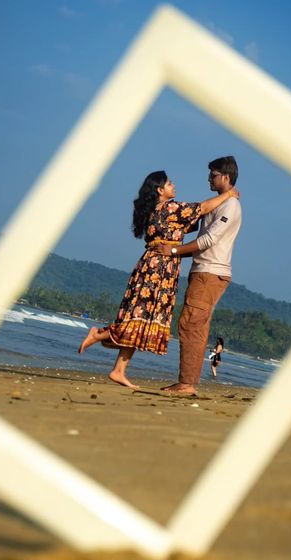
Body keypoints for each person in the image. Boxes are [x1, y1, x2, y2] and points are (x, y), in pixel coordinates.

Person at [77, 170, 239, 388]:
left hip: (157, 265)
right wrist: (228, 196)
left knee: (141, 319)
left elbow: (196, 219)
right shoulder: (170, 208)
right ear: (160, 190)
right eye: (169, 184)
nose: (174, 185)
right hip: (158, 267)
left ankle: (119, 370)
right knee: (138, 316)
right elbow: (201, 209)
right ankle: (98, 334)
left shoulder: (158, 210)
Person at [156, 156, 242, 395]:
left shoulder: (230, 206)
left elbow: (208, 240)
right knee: (196, 326)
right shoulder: (221, 203)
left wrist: (172, 251)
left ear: (225, 177)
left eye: (213, 175)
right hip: (205, 271)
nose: (208, 179)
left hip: (210, 272)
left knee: (190, 324)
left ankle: (186, 384)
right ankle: (188, 382)